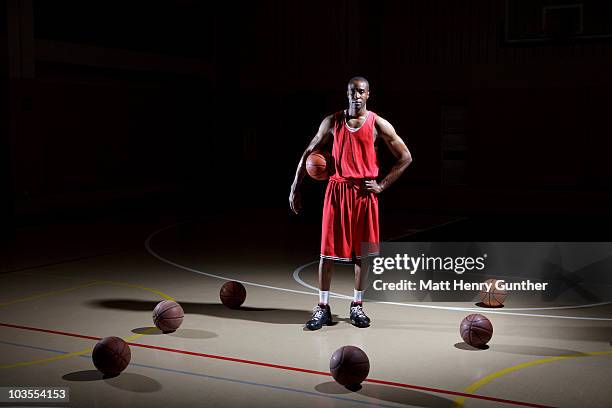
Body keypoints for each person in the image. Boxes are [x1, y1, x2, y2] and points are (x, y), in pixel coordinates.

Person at [289, 76, 412, 330]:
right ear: (346, 94)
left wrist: (382, 185)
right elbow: (308, 152)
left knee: (362, 256)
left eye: (361, 91)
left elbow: (405, 157)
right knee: (327, 254)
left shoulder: (378, 124)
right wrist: (295, 187)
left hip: (365, 195)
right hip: (337, 191)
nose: (356, 95)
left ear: (368, 94)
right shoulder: (332, 122)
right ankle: (322, 307)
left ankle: (357, 305)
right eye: (352, 91)